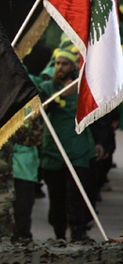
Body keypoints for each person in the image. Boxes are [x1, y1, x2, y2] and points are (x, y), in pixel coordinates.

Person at [38, 49, 101, 241]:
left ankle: (78, 233)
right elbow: (40, 111)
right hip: (53, 153)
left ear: (73, 66)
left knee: (77, 196)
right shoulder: (46, 87)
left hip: (78, 154)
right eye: (57, 63)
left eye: (64, 64)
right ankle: (59, 236)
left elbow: (95, 116)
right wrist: (61, 96)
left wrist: (100, 142)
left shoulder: (83, 87)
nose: (60, 67)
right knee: (56, 198)